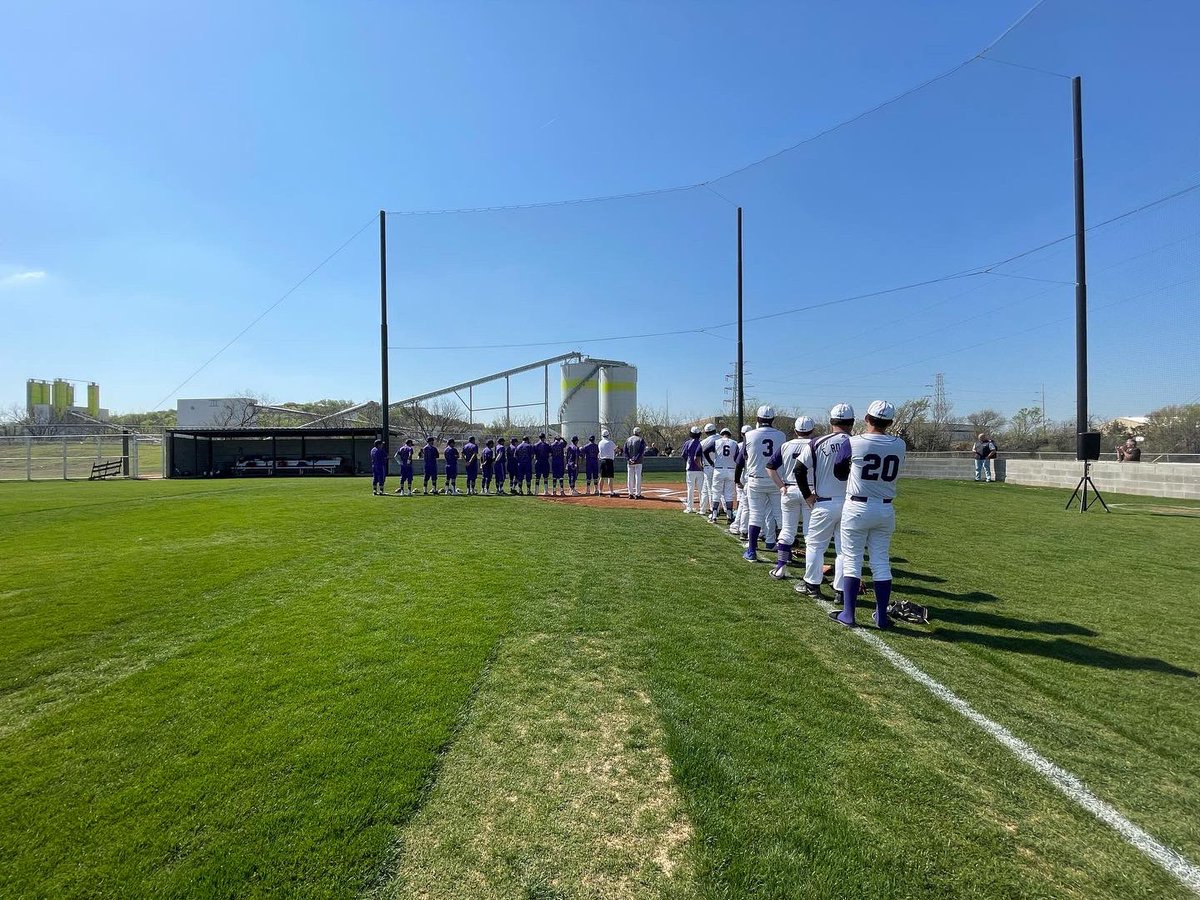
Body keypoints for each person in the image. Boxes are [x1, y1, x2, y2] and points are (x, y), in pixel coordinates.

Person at [831, 400, 907, 630]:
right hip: (885, 507)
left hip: (857, 506)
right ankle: (881, 616)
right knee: (881, 562)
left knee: (852, 561)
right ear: (890, 422)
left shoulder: (854, 442)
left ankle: (848, 613)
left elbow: (839, 471)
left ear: (867, 418)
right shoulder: (899, 444)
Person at [795, 404, 854, 601]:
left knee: (815, 545)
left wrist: (807, 495)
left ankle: (812, 585)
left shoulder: (818, 442)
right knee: (845, 549)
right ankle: (841, 591)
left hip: (824, 502)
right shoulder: (859, 443)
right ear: (852, 422)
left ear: (831, 423)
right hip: (851, 503)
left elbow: (799, 469)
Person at [767, 416, 816, 579]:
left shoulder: (786, 446)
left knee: (787, 531)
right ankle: (812, 573)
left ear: (795, 431)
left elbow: (770, 467)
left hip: (790, 489)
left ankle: (780, 568)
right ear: (812, 430)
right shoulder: (816, 444)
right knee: (810, 534)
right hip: (810, 490)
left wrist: (781, 486)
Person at [737, 406, 786, 562]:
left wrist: (738, 478)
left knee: (755, 516)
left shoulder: (749, 435)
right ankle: (786, 552)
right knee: (780, 517)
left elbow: (742, 458)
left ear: (758, 419)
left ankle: (752, 551)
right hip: (776, 479)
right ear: (772, 419)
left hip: (755, 479)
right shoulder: (781, 435)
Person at [709, 426, 739, 525]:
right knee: (729, 494)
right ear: (729, 434)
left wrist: (711, 462)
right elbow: (738, 457)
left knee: (716, 493)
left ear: (721, 434)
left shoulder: (717, 442)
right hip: (731, 469)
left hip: (719, 469)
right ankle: (729, 516)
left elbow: (705, 451)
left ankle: (714, 516)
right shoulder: (734, 443)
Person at [729, 425, 752, 539]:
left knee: (743, 502)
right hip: (750, 474)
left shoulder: (740, 445)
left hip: (743, 473)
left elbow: (737, 460)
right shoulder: (755, 442)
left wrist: (737, 480)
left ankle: (738, 526)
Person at [680, 426, 705, 513]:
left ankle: (689, 507)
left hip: (690, 468)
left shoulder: (688, 443)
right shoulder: (702, 442)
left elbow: (683, 454)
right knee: (701, 489)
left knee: (690, 488)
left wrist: (688, 460)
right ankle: (703, 508)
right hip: (701, 468)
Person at [698, 423, 718, 515]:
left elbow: (697, 456)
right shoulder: (721, 438)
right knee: (706, 489)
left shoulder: (703, 442)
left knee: (710, 490)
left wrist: (700, 466)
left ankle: (713, 510)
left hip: (708, 467)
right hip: (719, 466)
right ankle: (703, 509)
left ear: (706, 432)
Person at [624, 427, 647, 498]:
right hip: (638, 461)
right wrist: (635, 459)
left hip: (630, 462)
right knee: (638, 477)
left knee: (630, 477)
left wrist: (629, 459)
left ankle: (630, 493)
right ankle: (638, 494)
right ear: (639, 433)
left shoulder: (628, 440)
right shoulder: (640, 440)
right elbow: (641, 451)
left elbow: (625, 451)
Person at [598, 429, 617, 496]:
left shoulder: (600, 443)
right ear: (608, 435)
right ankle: (611, 492)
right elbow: (615, 449)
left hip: (602, 460)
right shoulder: (610, 442)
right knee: (610, 477)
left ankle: (600, 491)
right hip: (609, 461)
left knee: (602, 477)